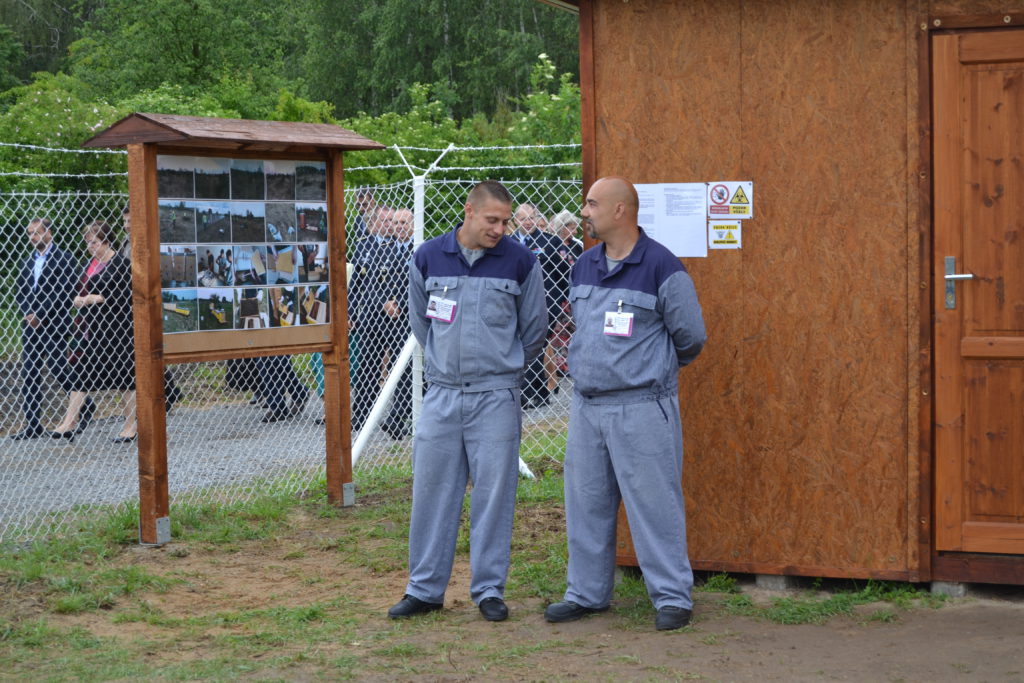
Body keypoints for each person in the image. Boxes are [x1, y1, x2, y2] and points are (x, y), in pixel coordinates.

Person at [544, 177, 706, 632]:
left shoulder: (662, 266)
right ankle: (587, 593)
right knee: (586, 502)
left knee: (655, 504)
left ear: (620, 211)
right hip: (586, 408)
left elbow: (690, 336)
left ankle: (673, 597)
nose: (585, 212)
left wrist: (650, 372)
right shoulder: (583, 264)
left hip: (641, 407)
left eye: (593, 204)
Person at [387, 181, 547, 622]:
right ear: (469, 212)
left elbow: (534, 331)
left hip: (496, 397)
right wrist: (445, 365)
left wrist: (502, 369)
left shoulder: (521, 261)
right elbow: (423, 324)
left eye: (505, 221)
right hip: (441, 395)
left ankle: (489, 590)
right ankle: (423, 590)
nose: (500, 228)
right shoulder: (427, 257)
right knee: (432, 491)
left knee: (494, 495)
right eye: (492, 220)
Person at [51, 220, 138, 442]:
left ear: (106, 241)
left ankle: (131, 425)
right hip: (92, 331)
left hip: (117, 331)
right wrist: (79, 299)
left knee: (125, 378)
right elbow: (77, 290)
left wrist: (97, 298)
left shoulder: (120, 264)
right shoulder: (89, 264)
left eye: (94, 242)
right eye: (88, 242)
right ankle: (69, 421)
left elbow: (125, 297)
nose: (90, 246)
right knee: (81, 375)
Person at [11, 218, 82, 440]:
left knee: (58, 369)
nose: (33, 237)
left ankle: (84, 404)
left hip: (54, 324)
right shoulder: (26, 262)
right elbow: (20, 291)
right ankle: (33, 425)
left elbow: (63, 292)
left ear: (48, 232)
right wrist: (28, 314)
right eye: (30, 233)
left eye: (37, 232)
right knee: (29, 373)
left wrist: (40, 315)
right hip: (30, 327)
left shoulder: (65, 259)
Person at [512, 203, 569, 408]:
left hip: (546, 303)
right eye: (522, 219)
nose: (527, 222)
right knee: (524, 345)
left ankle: (527, 394)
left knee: (536, 344)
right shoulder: (507, 243)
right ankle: (542, 392)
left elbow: (564, 274)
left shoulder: (551, 242)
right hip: (516, 303)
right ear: (515, 221)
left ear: (537, 219)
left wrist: (560, 299)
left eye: (531, 218)